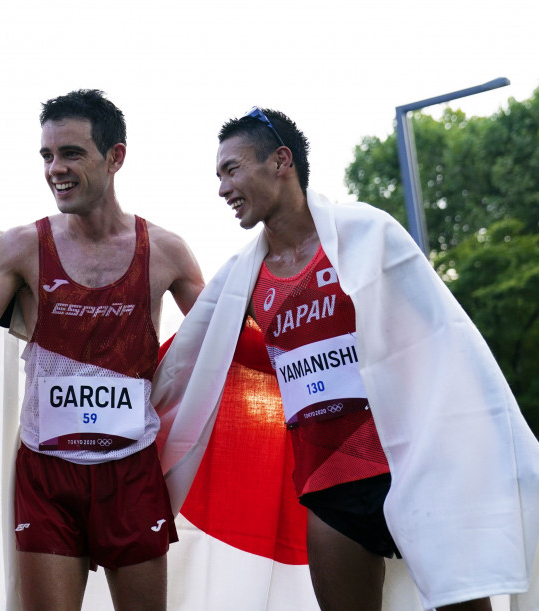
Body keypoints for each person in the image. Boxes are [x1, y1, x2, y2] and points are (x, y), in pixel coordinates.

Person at [151, 107, 539, 610]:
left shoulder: (367, 235)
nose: (223, 187)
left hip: (411, 469)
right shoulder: (240, 282)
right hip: (328, 490)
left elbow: (441, 342)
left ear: (281, 162)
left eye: (233, 169)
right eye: (219, 175)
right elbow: (213, 357)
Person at [0, 89, 204, 610]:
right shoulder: (23, 246)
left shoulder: (166, 251)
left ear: (116, 157)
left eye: (71, 153)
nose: (55, 168)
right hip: (49, 472)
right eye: (47, 155)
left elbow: (235, 340)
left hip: (131, 470)